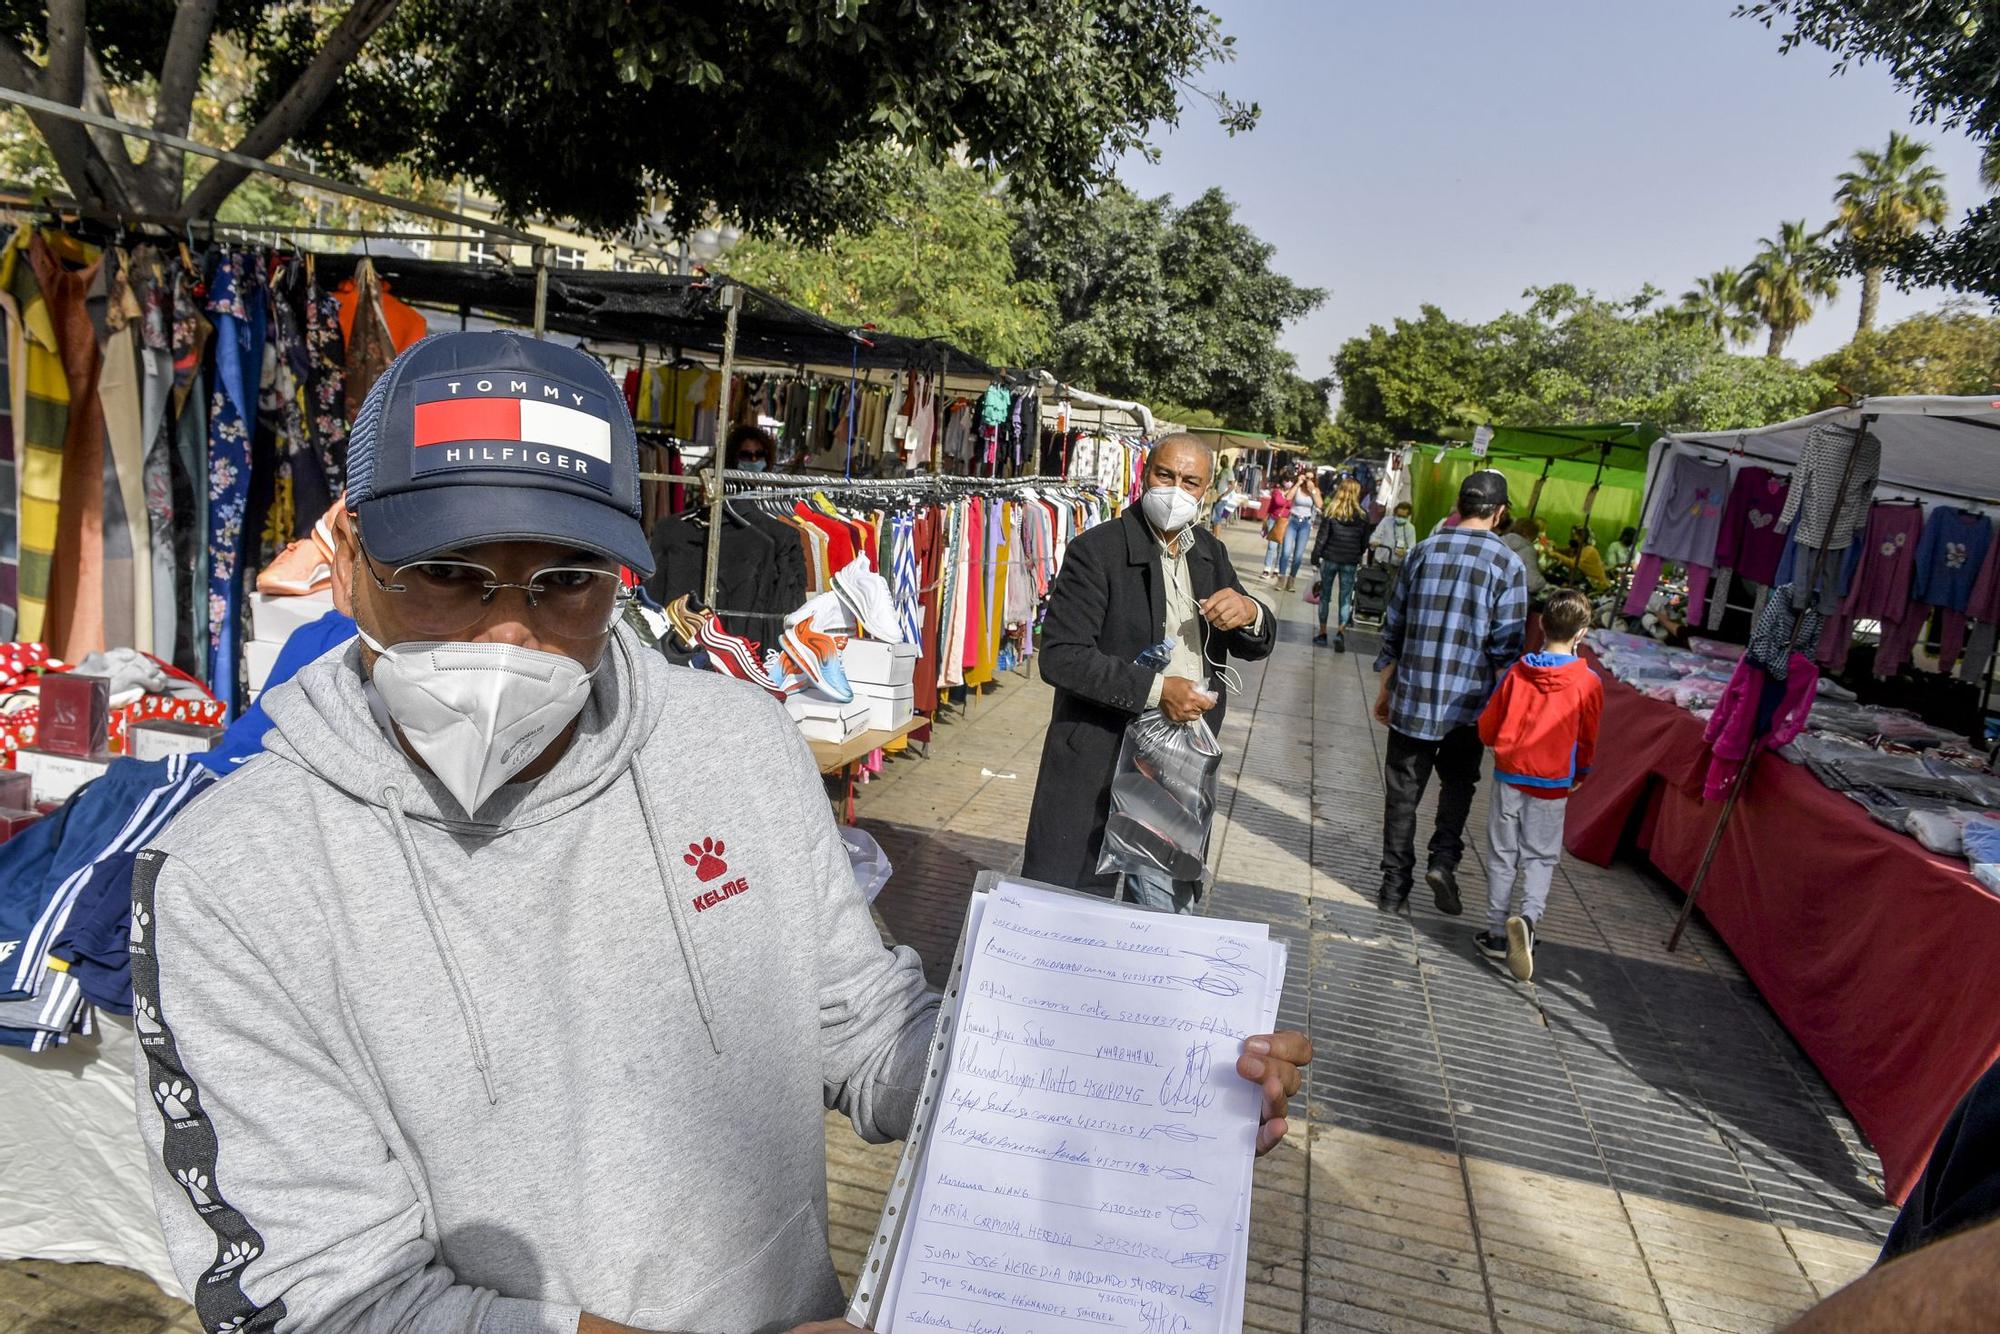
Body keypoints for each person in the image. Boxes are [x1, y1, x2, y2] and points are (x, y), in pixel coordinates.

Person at [129, 333, 1318, 1332]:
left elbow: (864, 1028)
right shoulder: (233, 880)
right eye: (443, 574)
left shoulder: (734, 744)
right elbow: (328, 1294)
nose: (509, 635)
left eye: (566, 582)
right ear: (345, 563)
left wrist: (1137, 1097)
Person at [1025, 434, 1276, 913]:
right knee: (1071, 908)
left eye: (1191, 481)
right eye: (1166, 476)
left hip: (1177, 763)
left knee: (1161, 910)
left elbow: (1255, 639)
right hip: (1101, 751)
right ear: (1145, 475)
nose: (1176, 490)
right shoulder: (1096, 551)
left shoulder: (1210, 553)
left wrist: (1250, 611)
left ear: (1206, 491)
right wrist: (1158, 690)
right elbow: (1060, 656)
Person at [1372, 469, 1528, 914]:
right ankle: (1443, 860)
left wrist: (1386, 688)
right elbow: (1506, 650)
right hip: (1470, 707)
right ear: (1498, 513)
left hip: (1413, 698)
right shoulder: (1509, 564)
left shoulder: (1423, 551)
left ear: (1460, 507)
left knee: (1402, 794)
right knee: (1459, 785)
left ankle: (1393, 887)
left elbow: (1394, 628)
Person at [1472, 588, 1600, 981]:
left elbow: (1488, 725)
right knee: (1541, 855)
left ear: (1541, 624)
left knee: (1502, 852)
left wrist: (1497, 744)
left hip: (1511, 773)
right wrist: (1581, 773)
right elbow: (1588, 736)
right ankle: (1528, 918)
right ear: (1581, 634)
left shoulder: (1516, 672)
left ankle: (1496, 932)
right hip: (1553, 781)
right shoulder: (1588, 682)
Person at [1311, 476, 1373, 651]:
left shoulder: (1331, 511)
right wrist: (1357, 554)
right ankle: (1340, 632)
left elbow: (1322, 537)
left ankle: (1322, 634)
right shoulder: (1363, 515)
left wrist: (1316, 556)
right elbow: (1364, 542)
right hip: (1350, 561)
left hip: (1330, 558)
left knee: (1324, 596)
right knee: (1345, 598)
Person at [1499, 515, 1548, 601]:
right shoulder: (1527, 549)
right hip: (1509, 601)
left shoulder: (1499, 540)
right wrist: (1546, 585)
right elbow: (1533, 583)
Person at [1548, 524, 1611, 589]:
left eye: (1574, 536)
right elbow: (1564, 551)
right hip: (1586, 583)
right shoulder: (1578, 548)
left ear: (1582, 538)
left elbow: (1573, 564)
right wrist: (1554, 548)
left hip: (1596, 587)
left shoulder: (1589, 550)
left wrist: (1554, 554)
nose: (1572, 538)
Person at [1259, 468, 1292, 580]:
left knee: (1282, 547)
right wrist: (1266, 519)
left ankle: (1277, 568)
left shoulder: (1293, 493)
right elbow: (1271, 506)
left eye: (1290, 480)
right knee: (1272, 546)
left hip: (1287, 521)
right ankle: (1267, 568)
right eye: (1287, 480)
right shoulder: (1276, 492)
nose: (1288, 482)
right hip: (1274, 519)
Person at [1368, 501, 1417, 568]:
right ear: (1395, 513)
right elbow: (1375, 535)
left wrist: (1405, 552)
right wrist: (1374, 542)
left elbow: (1412, 548)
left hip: (1396, 564)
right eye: (1398, 515)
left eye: (1403, 517)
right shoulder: (1386, 521)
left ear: (1408, 516)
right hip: (1379, 560)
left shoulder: (1410, 529)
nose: (1400, 518)